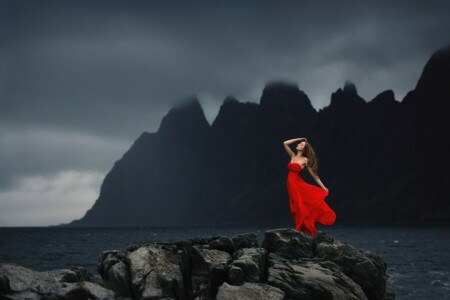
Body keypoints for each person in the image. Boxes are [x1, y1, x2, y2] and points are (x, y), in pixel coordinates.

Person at [283, 137, 336, 237]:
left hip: (297, 185)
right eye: (299, 143)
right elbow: (285, 143)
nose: (299, 145)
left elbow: (314, 176)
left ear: (304, 149)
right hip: (291, 185)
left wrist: (323, 187)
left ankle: (301, 228)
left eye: (301, 144)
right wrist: (299, 138)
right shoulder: (292, 156)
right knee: (295, 208)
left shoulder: (305, 160)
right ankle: (300, 228)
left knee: (299, 206)